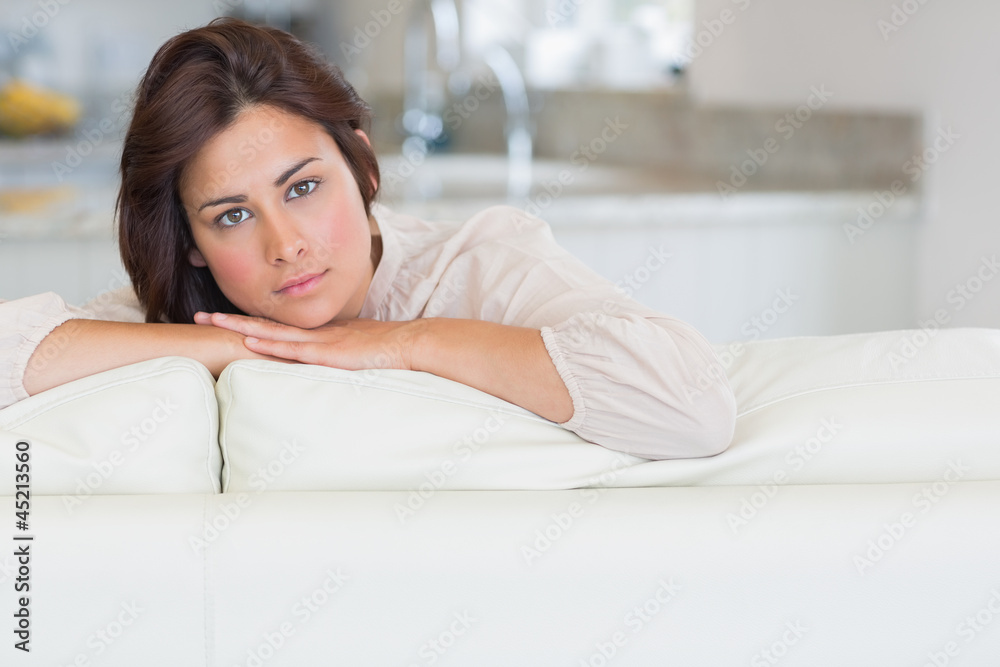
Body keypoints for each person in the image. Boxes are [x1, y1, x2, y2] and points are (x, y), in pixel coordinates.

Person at [0, 18, 735, 460]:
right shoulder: (198, 310)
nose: (284, 245)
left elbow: (693, 404)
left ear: (365, 165)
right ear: (189, 240)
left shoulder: (476, 263)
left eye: (303, 188)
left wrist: (401, 346)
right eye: (231, 215)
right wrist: (238, 345)